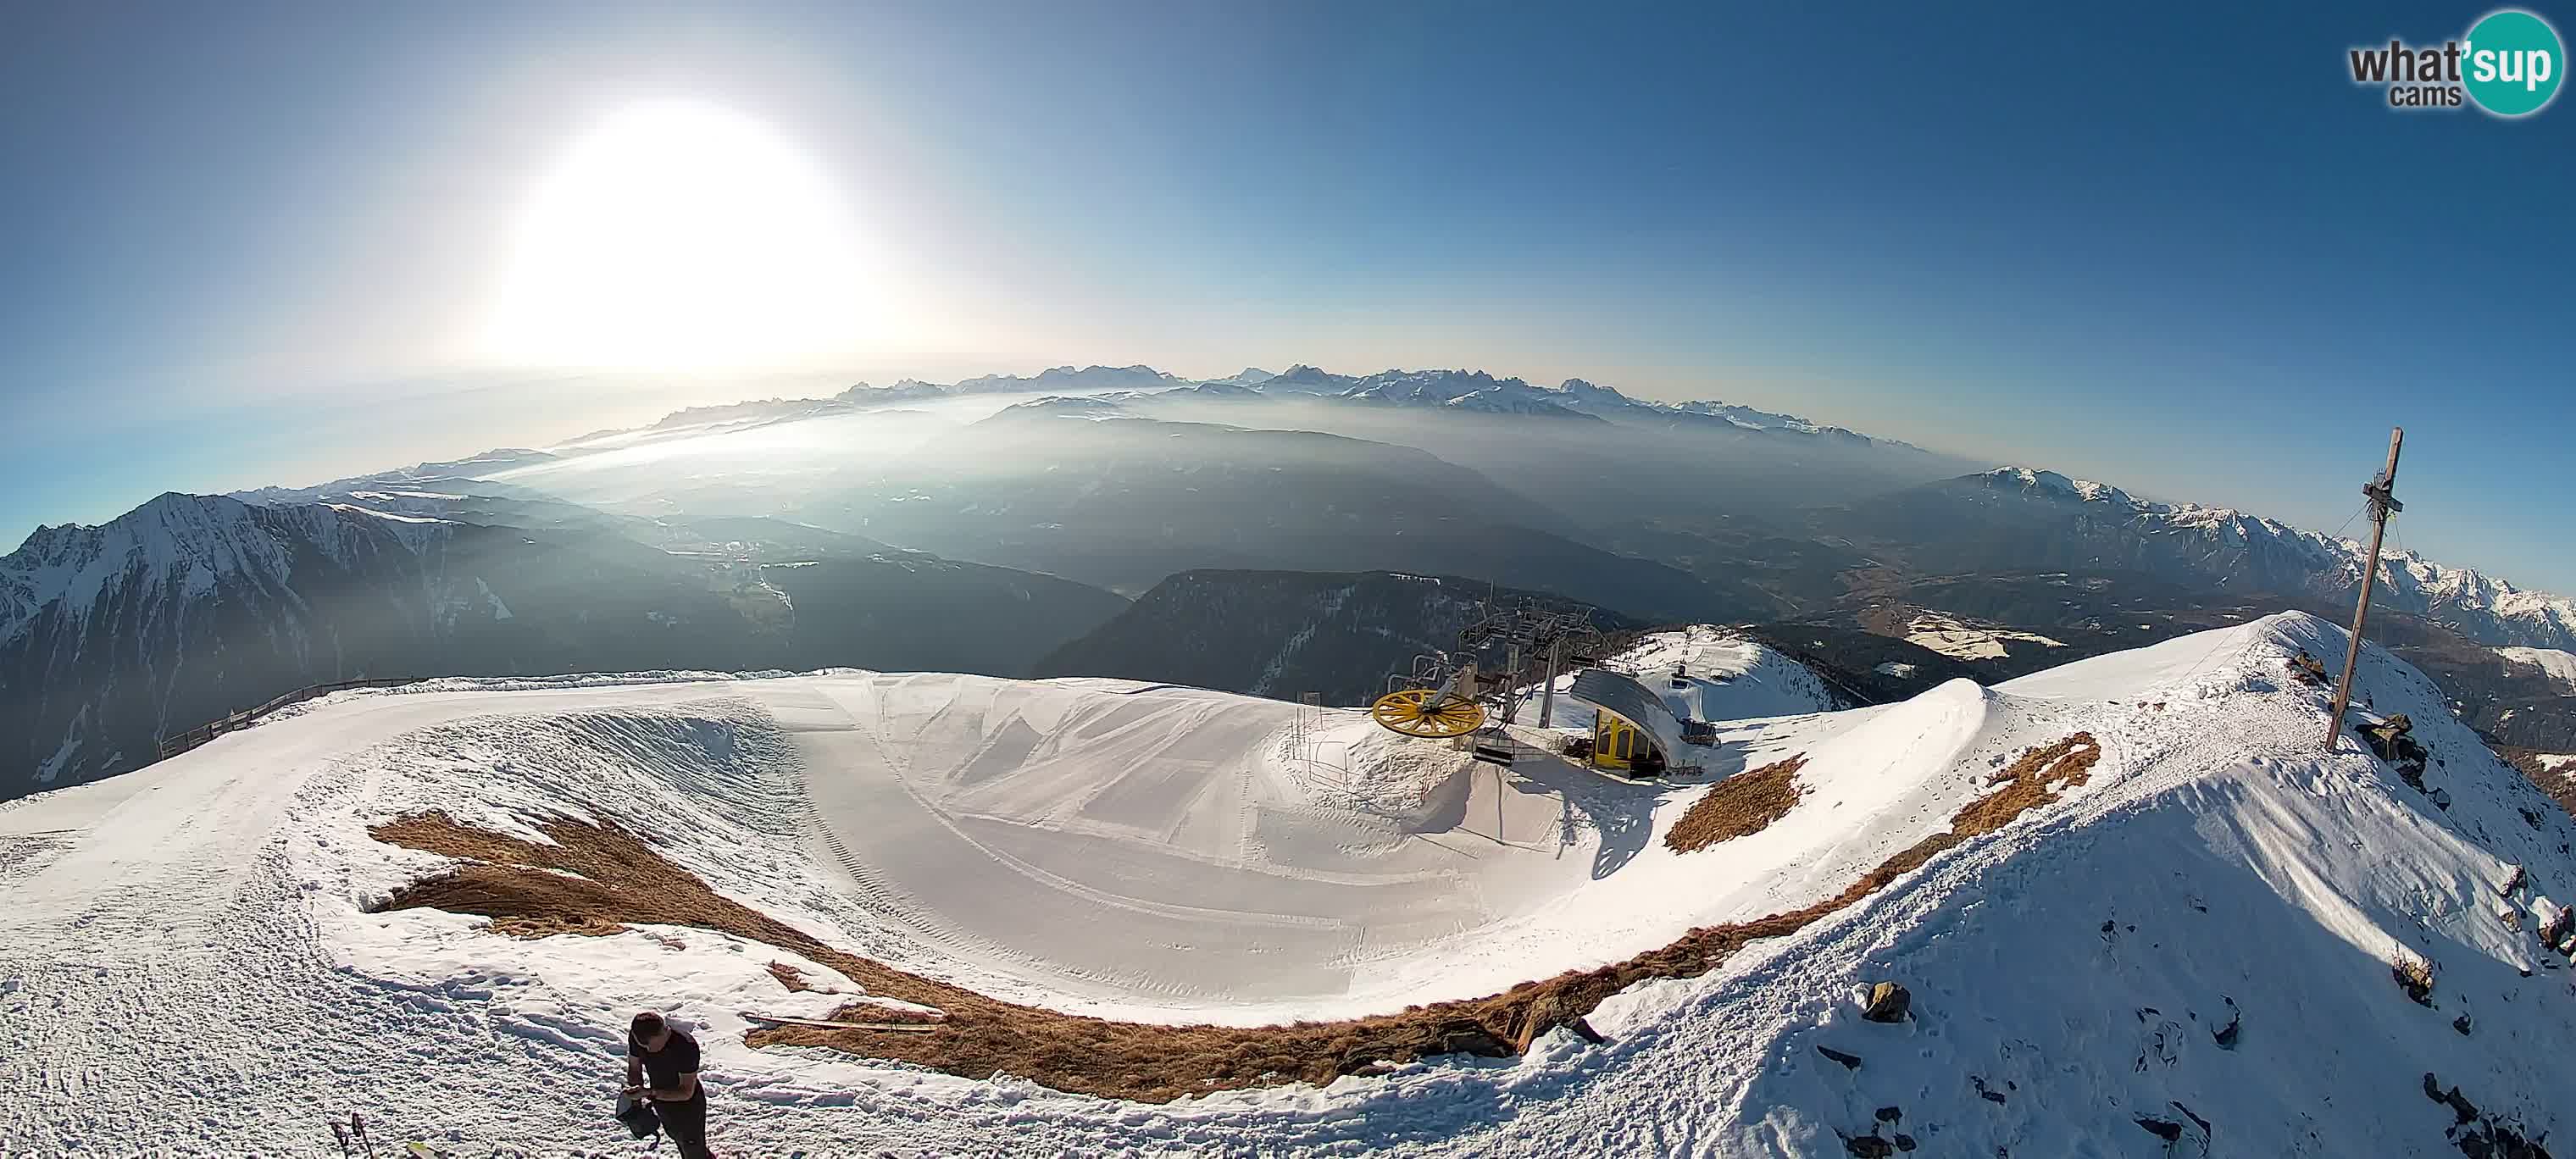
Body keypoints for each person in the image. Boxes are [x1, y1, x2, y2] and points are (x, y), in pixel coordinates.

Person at [625, 1011, 715, 1158]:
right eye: (644, 1046)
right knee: (677, 1137)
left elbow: (686, 1092)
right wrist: (635, 1100)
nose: (648, 1051)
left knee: (692, 1145)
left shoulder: (685, 1046)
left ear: (663, 1032)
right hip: (661, 1101)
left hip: (688, 1104)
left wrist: (649, 1093)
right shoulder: (638, 1036)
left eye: (651, 1046)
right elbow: (634, 1068)